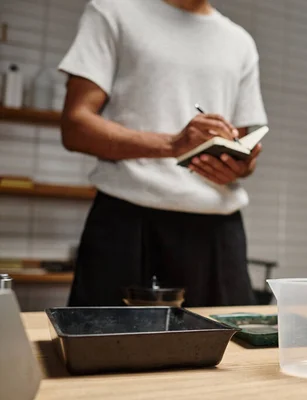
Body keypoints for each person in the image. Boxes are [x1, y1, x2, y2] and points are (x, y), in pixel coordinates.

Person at [58, 0, 267, 307]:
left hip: (219, 230)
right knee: (106, 350)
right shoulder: (112, 12)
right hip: (129, 223)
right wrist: (172, 144)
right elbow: (75, 125)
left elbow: (247, 146)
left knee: (234, 354)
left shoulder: (240, 42)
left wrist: (240, 166)